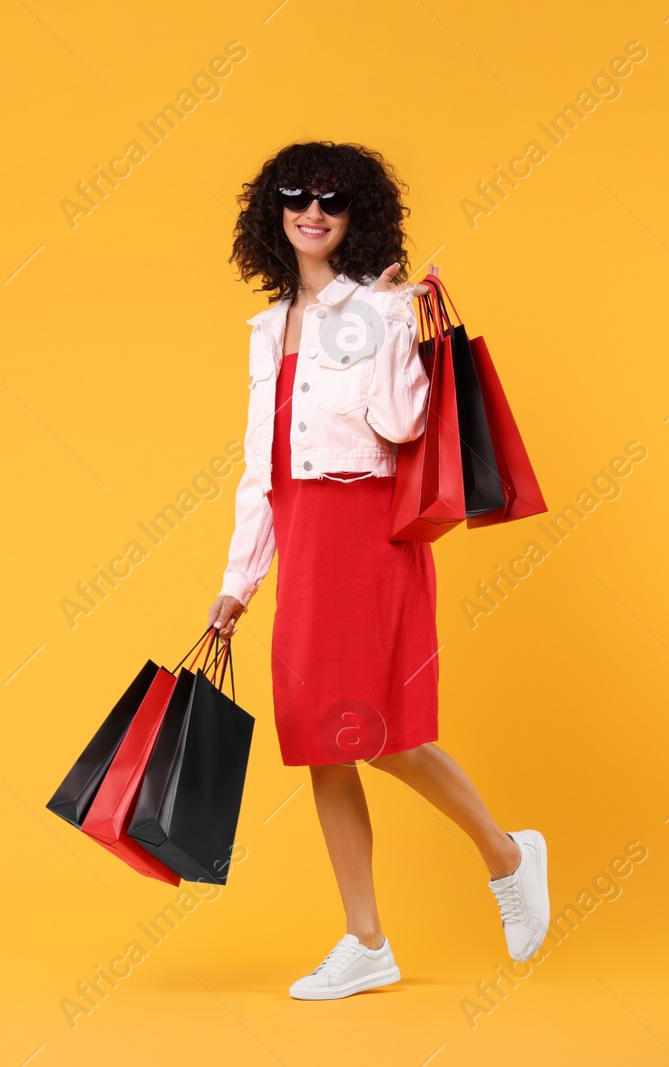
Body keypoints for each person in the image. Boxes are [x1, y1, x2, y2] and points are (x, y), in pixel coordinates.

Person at [206, 141, 550, 1001]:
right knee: (323, 740)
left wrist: (391, 325)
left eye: (331, 199)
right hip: (302, 531)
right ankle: (366, 940)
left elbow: (399, 426)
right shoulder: (265, 326)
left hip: (367, 532)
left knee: (381, 730)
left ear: (356, 214)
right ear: (272, 211)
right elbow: (263, 466)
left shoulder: (375, 309)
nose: (311, 211)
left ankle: (509, 856)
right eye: (296, 195)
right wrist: (238, 581)